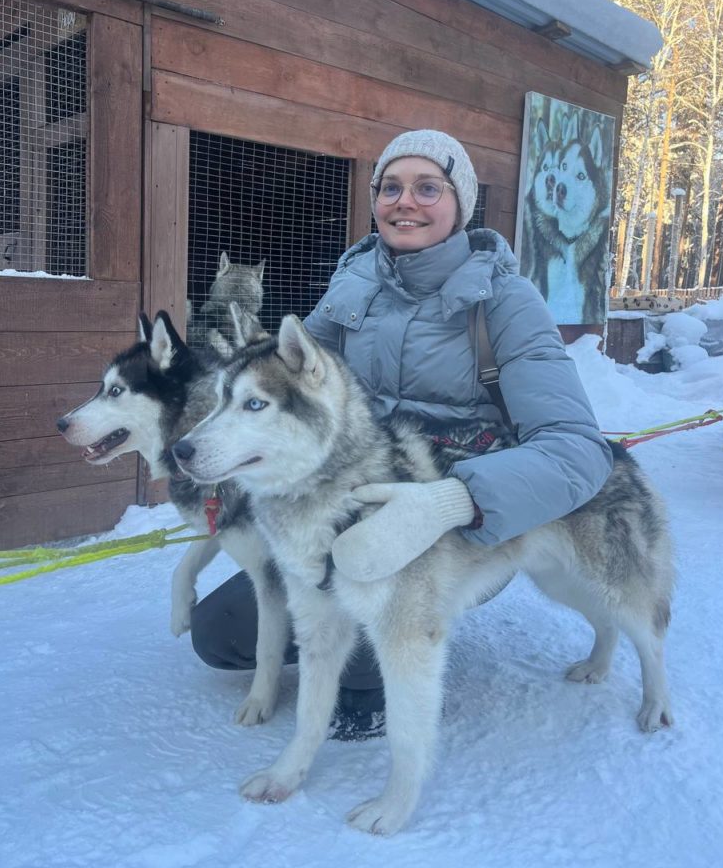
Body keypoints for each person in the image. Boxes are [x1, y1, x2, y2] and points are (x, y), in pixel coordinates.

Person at [189, 129, 613, 739]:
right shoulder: (349, 289)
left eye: (427, 187)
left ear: (459, 204)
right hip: (347, 505)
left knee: (374, 632)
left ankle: (392, 654)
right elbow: (281, 387)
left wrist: (453, 500)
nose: (405, 202)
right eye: (391, 187)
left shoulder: (507, 302)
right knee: (220, 635)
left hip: (452, 520)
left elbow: (578, 452)